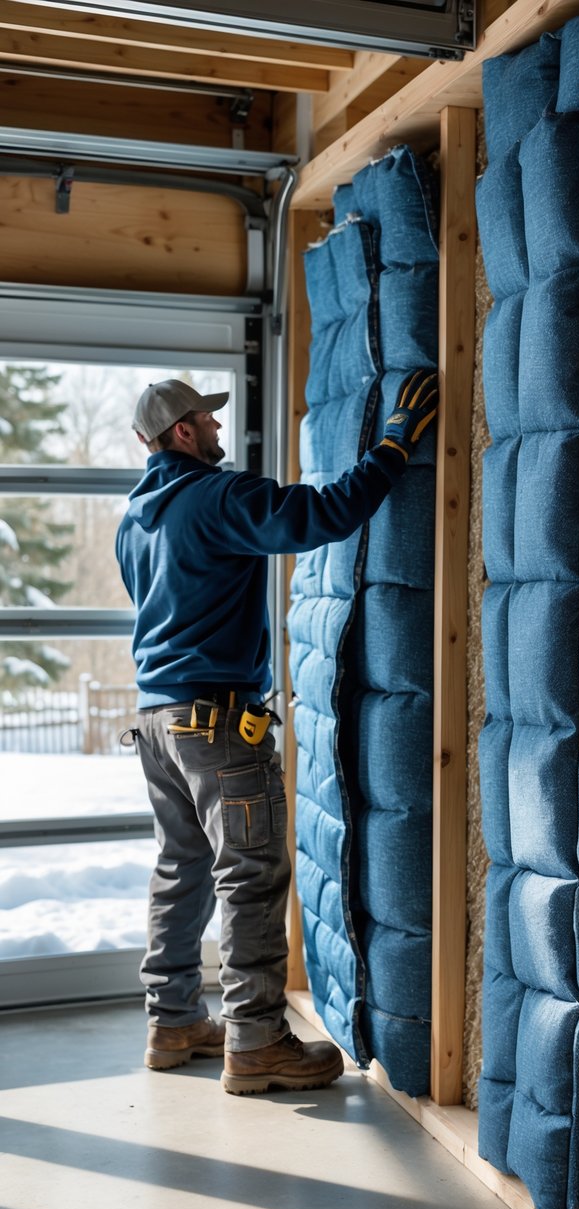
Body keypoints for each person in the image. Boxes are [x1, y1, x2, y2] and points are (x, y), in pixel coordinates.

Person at [116, 372, 438, 1095]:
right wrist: (393, 446)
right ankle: (257, 1040)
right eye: (207, 419)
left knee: (182, 869)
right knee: (251, 874)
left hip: (158, 723)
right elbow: (322, 514)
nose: (219, 430)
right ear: (181, 433)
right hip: (217, 726)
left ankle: (171, 1021)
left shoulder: (133, 520)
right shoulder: (218, 497)